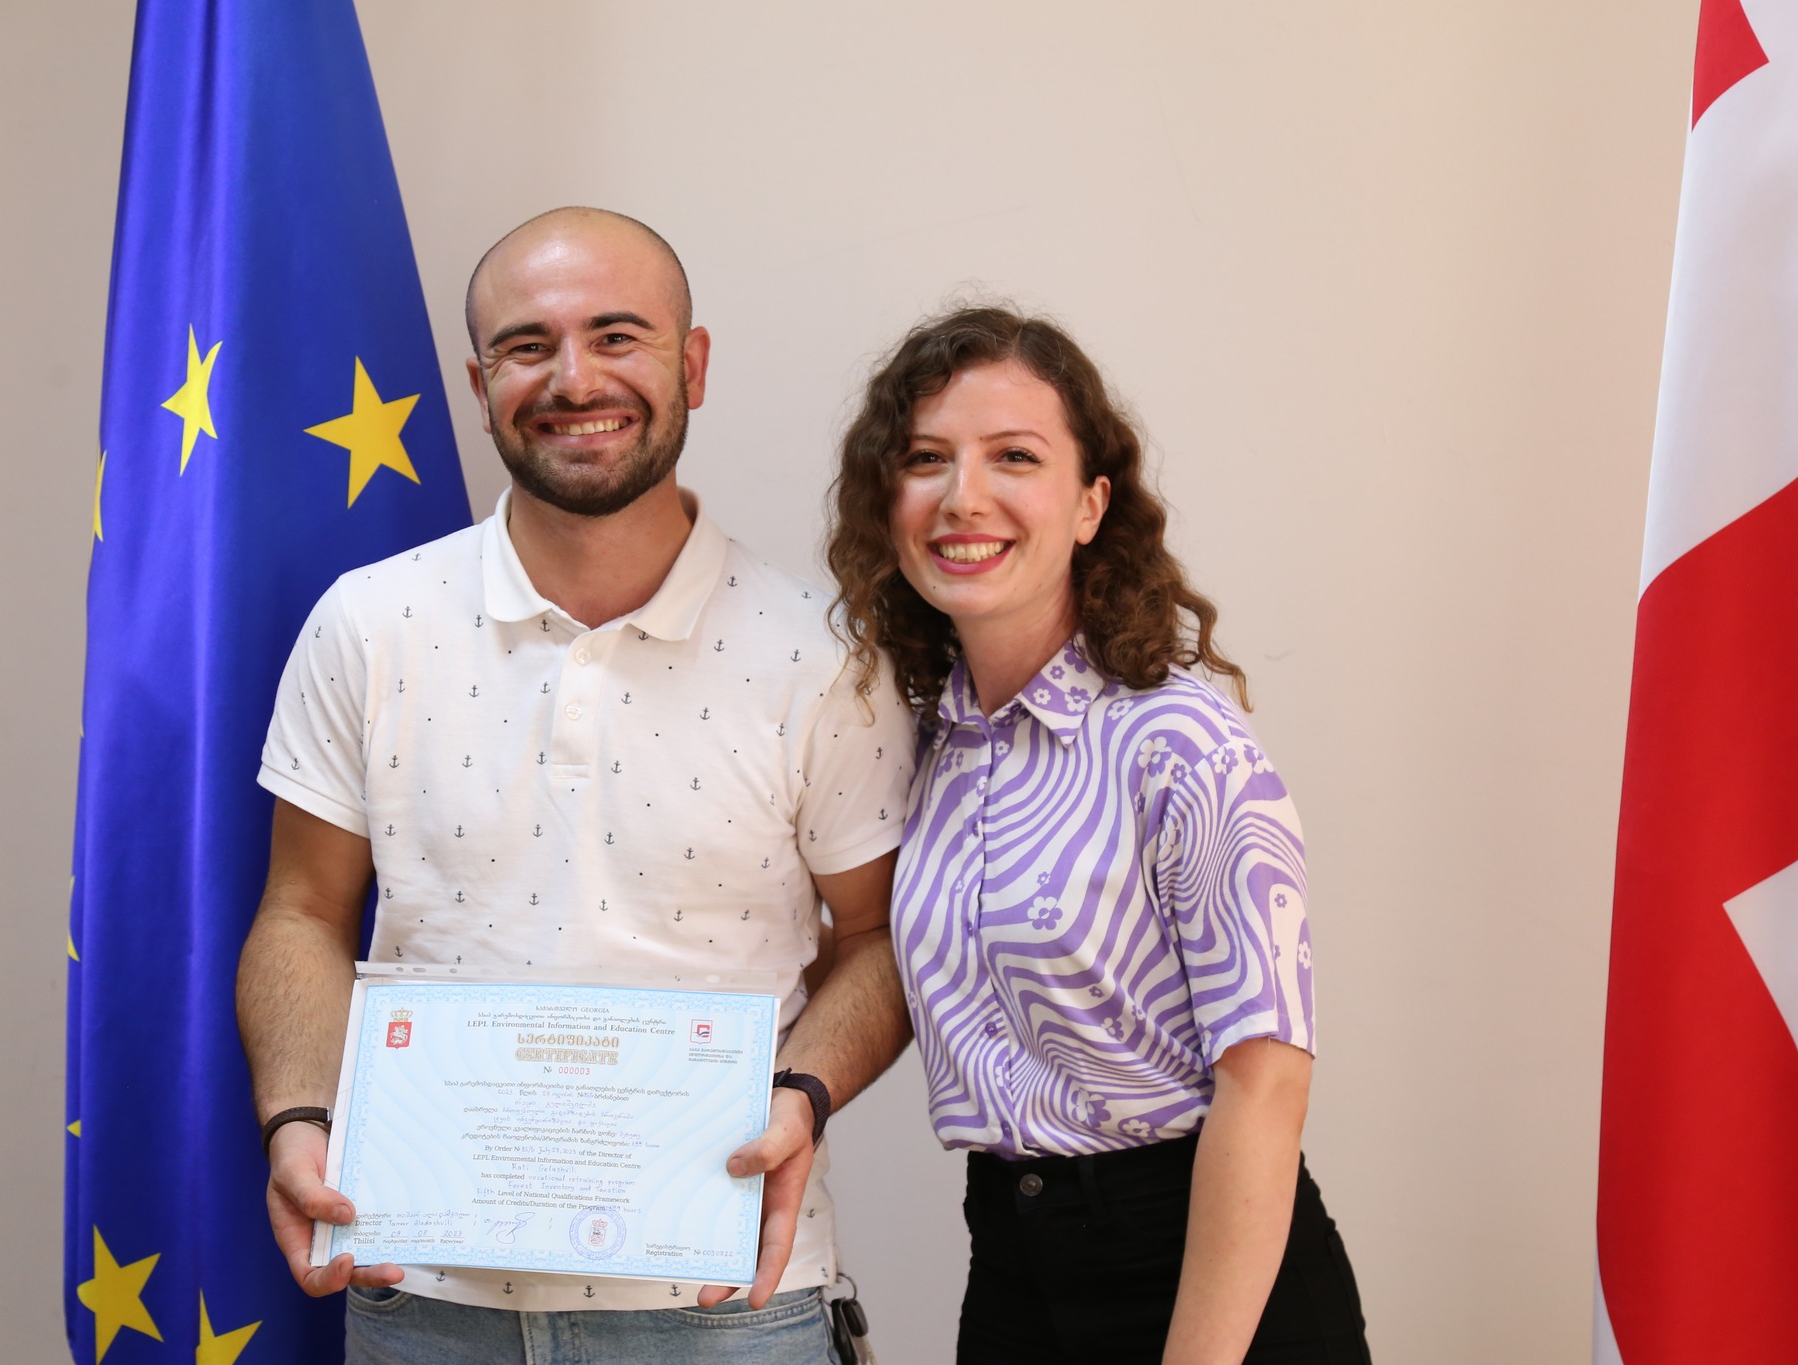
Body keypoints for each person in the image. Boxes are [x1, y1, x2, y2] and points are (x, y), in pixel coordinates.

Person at [235, 206, 917, 1364]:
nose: (573, 378)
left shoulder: (825, 655)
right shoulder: (368, 623)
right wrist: (296, 1114)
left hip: (727, 1305)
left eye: (616, 336)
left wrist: (800, 1093)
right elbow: (301, 911)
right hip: (419, 1293)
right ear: (477, 383)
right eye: (526, 345)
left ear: (692, 365)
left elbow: (881, 938)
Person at [825, 306, 1371, 1364]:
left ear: (1090, 505)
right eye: (925, 458)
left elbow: (1265, 1083)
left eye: (1013, 457)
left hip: (1204, 1271)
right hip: (1012, 1264)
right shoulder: (927, 743)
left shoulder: (1180, 742)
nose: (961, 496)